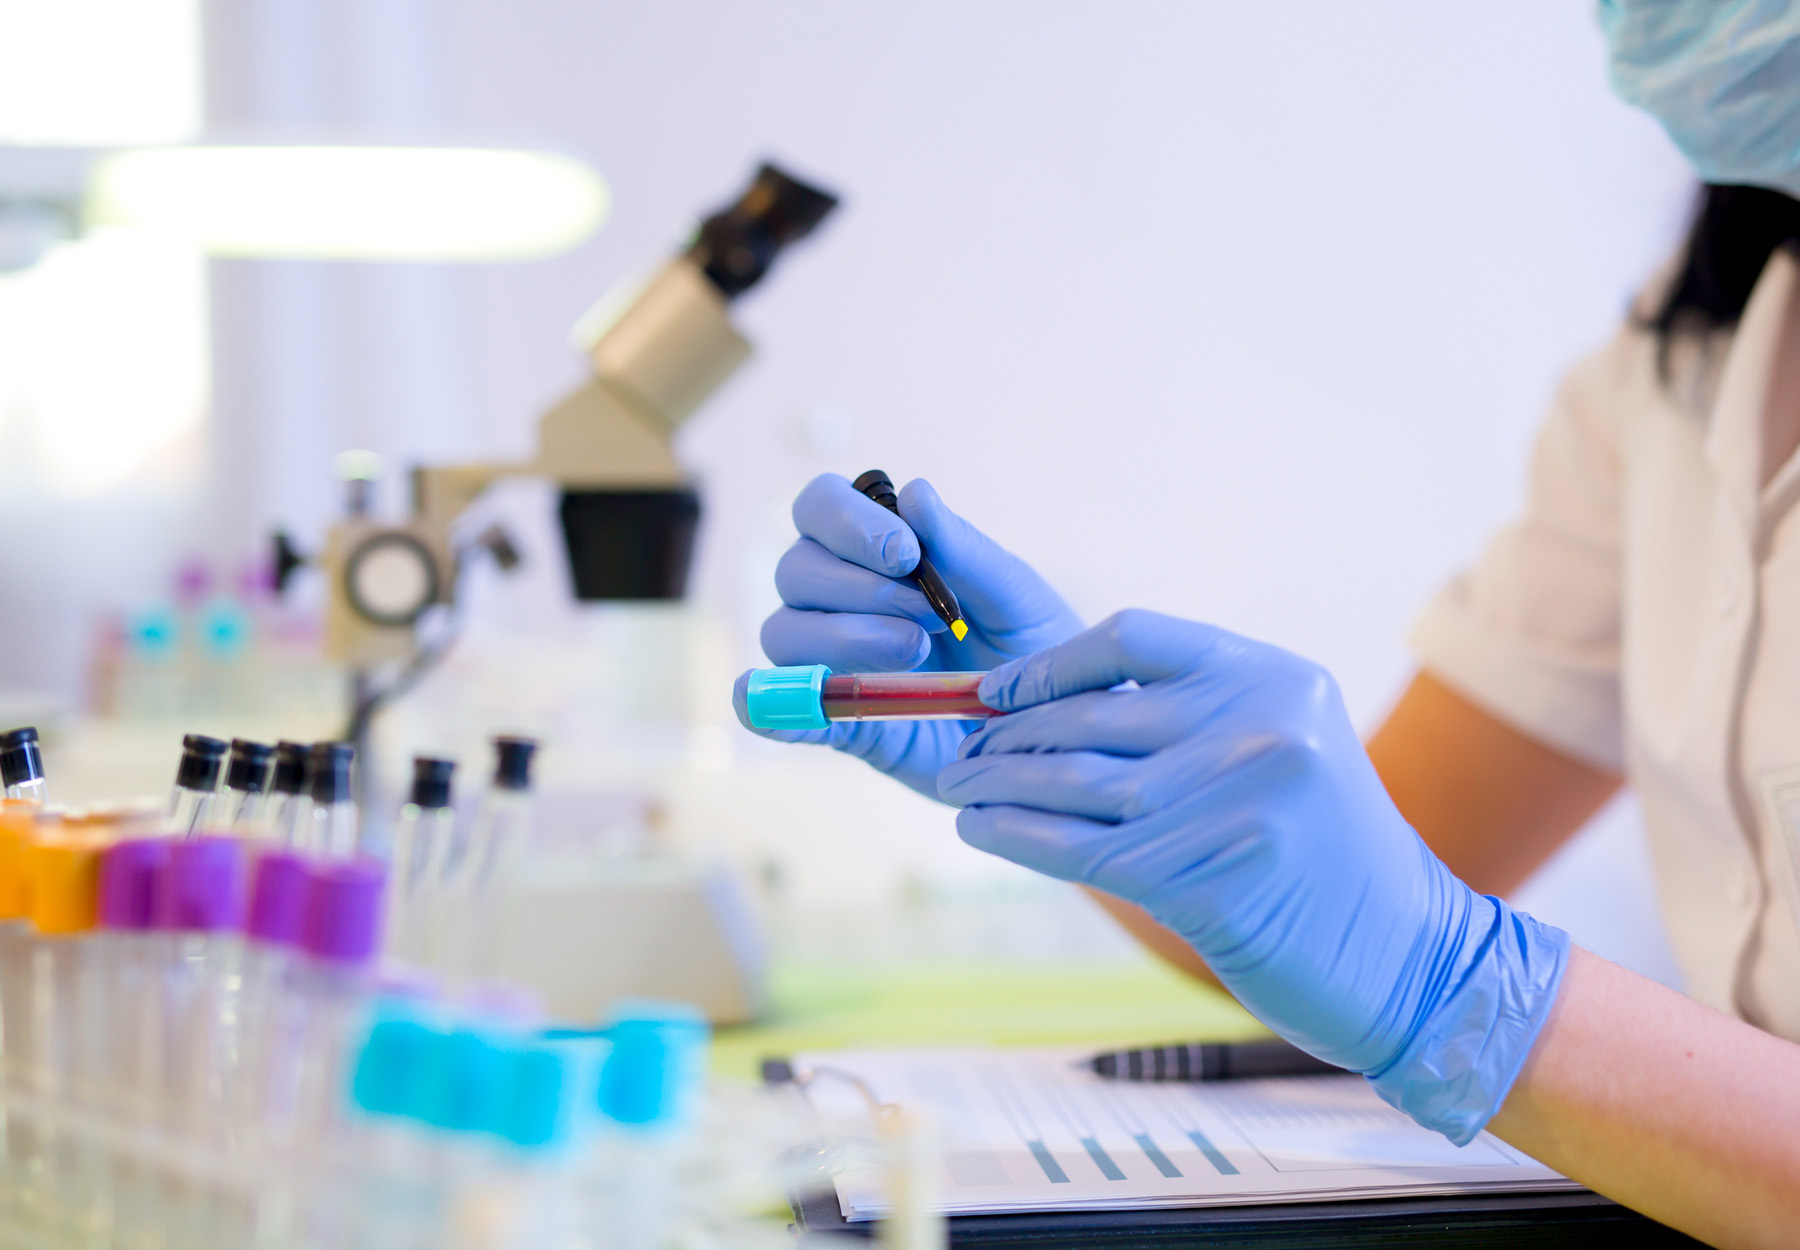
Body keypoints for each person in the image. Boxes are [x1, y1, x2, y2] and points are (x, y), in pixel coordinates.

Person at [735, 6, 1800, 1247]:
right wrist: (1070, 749)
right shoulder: (1687, 355)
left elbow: (1404, 939)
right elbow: (1315, 902)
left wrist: (1461, 991)